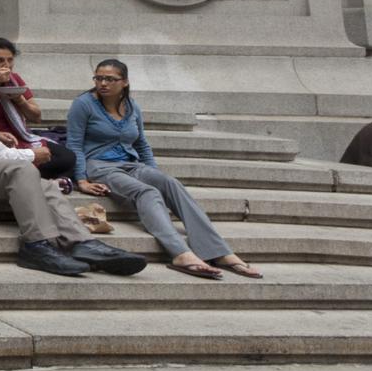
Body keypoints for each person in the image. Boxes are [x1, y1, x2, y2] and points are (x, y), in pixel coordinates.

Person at [0, 47, 146, 277]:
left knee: (45, 185)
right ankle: (36, 245)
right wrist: (32, 155)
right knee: (22, 168)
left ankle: (82, 242)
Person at [66, 58, 262, 279]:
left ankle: (219, 251)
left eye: (110, 79)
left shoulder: (132, 107)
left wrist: (154, 172)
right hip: (100, 166)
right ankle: (180, 253)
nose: (103, 83)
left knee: (170, 183)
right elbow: (74, 144)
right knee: (147, 192)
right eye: (99, 78)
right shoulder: (83, 104)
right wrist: (81, 180)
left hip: (132, 164)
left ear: (125, 82)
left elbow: (141, 144)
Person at [0, 36, 76, 186]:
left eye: (10, 60)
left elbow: (36, 116)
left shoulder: (14, 79)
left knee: (67, 157)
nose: (6, 65)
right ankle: (40, 181)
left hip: (21, 136)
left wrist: (20, 100)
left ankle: (39, 180)